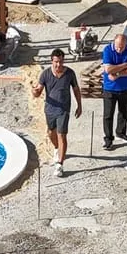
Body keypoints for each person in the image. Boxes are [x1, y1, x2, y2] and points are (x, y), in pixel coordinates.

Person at [32, 48, 83, 177]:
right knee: (51, 133)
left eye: (61, 61)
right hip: (50, 109)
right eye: (56, 62)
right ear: (52, 61)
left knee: (62, 135)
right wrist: (35, 92)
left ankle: (60, 164)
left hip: (64, 109)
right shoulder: (45, 74)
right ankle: (57, 148)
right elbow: (38, 90)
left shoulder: (70, 73)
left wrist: (79, 105)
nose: (58, 64)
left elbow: (76, 89)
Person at [99, 30, 127, 151]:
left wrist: (118, 74)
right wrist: (125, 65)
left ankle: (121, 132)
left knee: (124, 112)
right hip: (110, 88)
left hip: (125, 87)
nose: (119, 50)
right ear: (114, 43)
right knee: (108, 115)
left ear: (126, 44)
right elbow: (108, 69)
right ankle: (108, 139)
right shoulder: (107, 50)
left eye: (122, 47)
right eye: (117, 47)